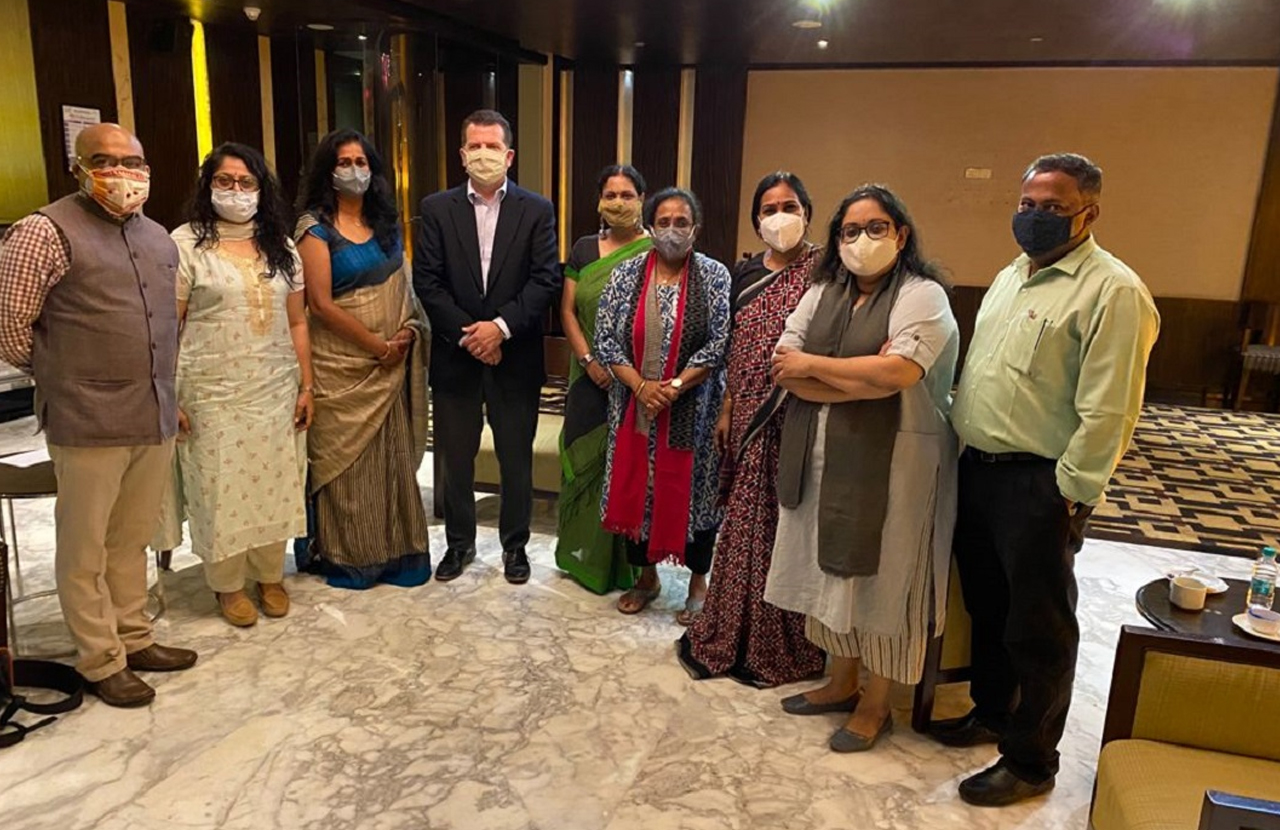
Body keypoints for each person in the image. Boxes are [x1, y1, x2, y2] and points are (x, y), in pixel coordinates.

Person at [939, 154, 1159, 807]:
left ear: (1089, 213)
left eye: (1052, 207)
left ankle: (1031, 761)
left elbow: (1110, 410)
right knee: (988, 607)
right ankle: (992, 712)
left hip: (1039, 485)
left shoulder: (1113, 292)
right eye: (1027, 204)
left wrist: (1071, 493)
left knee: (1039, 626)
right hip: (978, 469)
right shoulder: (1013, 274)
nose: (1034, 217)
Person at [0, 123, 197, 707]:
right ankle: (100, 658)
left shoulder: (159, 238)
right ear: (79, 168)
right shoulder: (44, 231)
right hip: (85, 418)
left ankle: (134, 638)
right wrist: (63, 373)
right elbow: (10, 327)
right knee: (84, 547)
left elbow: (167, 325)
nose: (122, 174)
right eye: (106, 161)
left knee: (131, 539)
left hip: (152, 410)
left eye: (133, 163)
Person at [764, 184, 959, 753]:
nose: (862, 240)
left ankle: (877, 705)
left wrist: (816, 368)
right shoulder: (823, 291)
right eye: (850, 231)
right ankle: (841, 682)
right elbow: (783, 367)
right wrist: (856, 378)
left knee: (883, 581)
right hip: (824, 459)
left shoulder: (922, 296)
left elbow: (897, 375)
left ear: (901, 234)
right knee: (832, 573)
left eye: (876, 228)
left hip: (896, 465)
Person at [153, 142, 311, 626]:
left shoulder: (281, 246)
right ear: (208, 186)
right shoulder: (184, 245)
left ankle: (269, 575)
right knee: (219, 487)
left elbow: (298, 322)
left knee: (275, 482)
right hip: (210, 391)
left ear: (262, 190)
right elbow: (168, 327)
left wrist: (307, 386)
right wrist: (167, 395)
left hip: (275, 386)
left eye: (247, 182)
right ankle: (226, 585)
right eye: (225, 181)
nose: (236, 191)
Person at [677, 171, 825, 686]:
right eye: (768, 209)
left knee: (787, 523)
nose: (779, 217)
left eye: (789, 206)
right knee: (743, 523)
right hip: (745, 415)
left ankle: (781, 635)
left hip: (800, 413)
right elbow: (735, 347)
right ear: (756, 220)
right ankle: (732, 624)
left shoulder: (825, 271)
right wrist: (726, 408)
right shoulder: (745, 274)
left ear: (807, 213)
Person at [414, 109, 560, 585]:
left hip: (515, 357)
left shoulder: (536, 209)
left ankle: (515, 547)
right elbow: (428, 282)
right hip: (456, 357)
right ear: (462, 155)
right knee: (455, 460)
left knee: (515, 460)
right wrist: (473, 336)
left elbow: (545, 280)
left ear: (509, 155)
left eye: (492, 146)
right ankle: (459, 544)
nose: (483, 154)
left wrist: (499, 329)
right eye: (474, 146)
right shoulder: (437, 208)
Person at [295, 129, 431, 589]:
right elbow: (319, 305)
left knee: (390, 462)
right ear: (327, 171)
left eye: (361, 162)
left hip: (391, 364)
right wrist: (377, 347)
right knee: (348, 467)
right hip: (342, 369)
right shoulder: (314, 228)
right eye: (344, 162)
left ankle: (397, 552)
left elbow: (404, 291)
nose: (354, 170)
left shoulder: (386, 224)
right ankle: (349, 556)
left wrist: (407, 332)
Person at [595, 187, 730, 623]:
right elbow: (605, 339)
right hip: (636, 411)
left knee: (698, 495)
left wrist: (672, 386)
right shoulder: (626, 274)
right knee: (641, 488)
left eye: (682, 222)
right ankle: (646, 577)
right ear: (650, 227)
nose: (673, 230)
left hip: (695, 412)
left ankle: (698, 582)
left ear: (696, 228)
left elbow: (718, 342)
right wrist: (641, 387)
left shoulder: (715, 275)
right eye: (664, 222)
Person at [554, 164, 652, 595]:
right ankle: (583, 560)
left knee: (629, 469)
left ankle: (628, 567)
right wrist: (589, 359)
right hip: (588, 376)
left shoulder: (655, 250)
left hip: (637, 381)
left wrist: (629, 372)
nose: (618, 203)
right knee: (584, 461)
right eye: (610, 195)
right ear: (598, 201)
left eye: (627, 195)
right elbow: (568, 311)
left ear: (642, 200)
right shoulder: (583, 249)